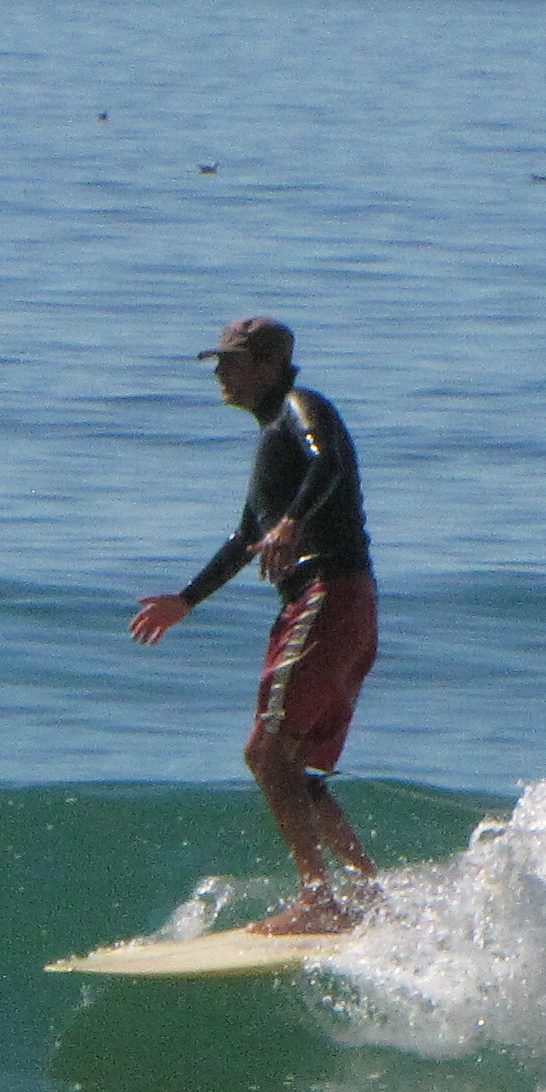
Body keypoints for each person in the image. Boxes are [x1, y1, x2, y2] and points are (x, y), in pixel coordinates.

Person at [128, 316, 381, 933]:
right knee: (289, 762)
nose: (219, 372)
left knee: (267, 753)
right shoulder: (273, 434)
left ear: (267, 365)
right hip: (336, 603)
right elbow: (247, 536)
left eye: (230, 361)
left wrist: (292, 524)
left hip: (327, 597)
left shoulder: (301, 409)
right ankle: (367, 893)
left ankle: (320, 899)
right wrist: (187, 600)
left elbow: (332, 465)